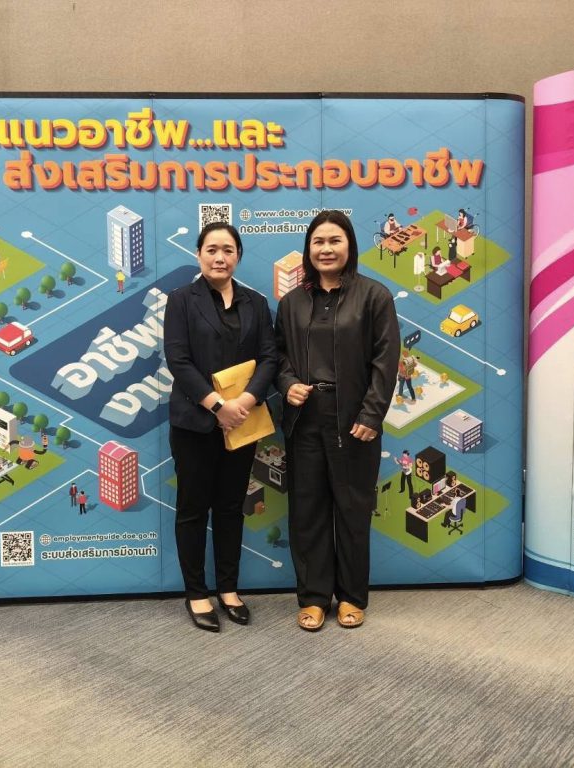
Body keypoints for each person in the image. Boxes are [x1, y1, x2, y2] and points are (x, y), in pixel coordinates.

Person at [275, 210, 400, 631]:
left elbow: (386, 360)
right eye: (318, 242)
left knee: (352, 513)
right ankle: (313, 598)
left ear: (350, 246)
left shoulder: (374, 296)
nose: (326, 249)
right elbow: (278, 356)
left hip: (354, 423)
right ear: (308, 250)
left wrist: (371, 414)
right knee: (307, 512)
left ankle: (351, 597)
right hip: (304, 422)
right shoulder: (291, 303)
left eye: (335, 241)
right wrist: (288, 383)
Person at [163, 222, 277, 632]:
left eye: (228, 250)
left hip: (242, 422)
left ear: (238, 256)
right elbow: (178, 360)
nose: (219, 257)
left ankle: (228, 589)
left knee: (231, 507)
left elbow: (269, 357)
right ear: (198, 254)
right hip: (194, 423)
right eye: (211, 249)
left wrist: (244, 402)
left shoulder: (256, 302)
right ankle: (197, 593)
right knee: (193, 509)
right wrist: (217, 406)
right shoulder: (181, 300)